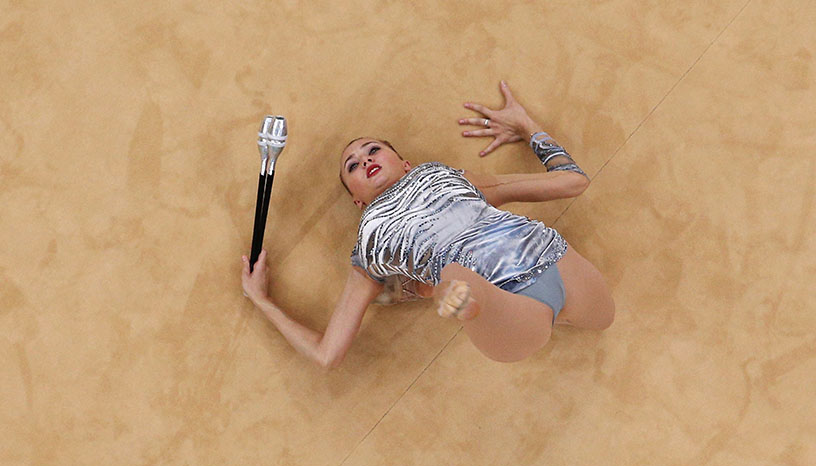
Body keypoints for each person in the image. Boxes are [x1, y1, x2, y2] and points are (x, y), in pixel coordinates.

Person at [241, 81, 615, 368]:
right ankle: (463, 298)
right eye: (352, 166)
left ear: (406, 163)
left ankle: (508, 307)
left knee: (603, 319)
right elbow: (327, 355)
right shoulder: (369, 246)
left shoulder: (449, 178)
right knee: (455, 276)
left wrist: (525, 125)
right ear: (357, 200)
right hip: (499, 303)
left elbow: (572, 181)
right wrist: (262, 301)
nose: (365, 160)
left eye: (373, 149)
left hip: (560, 263)